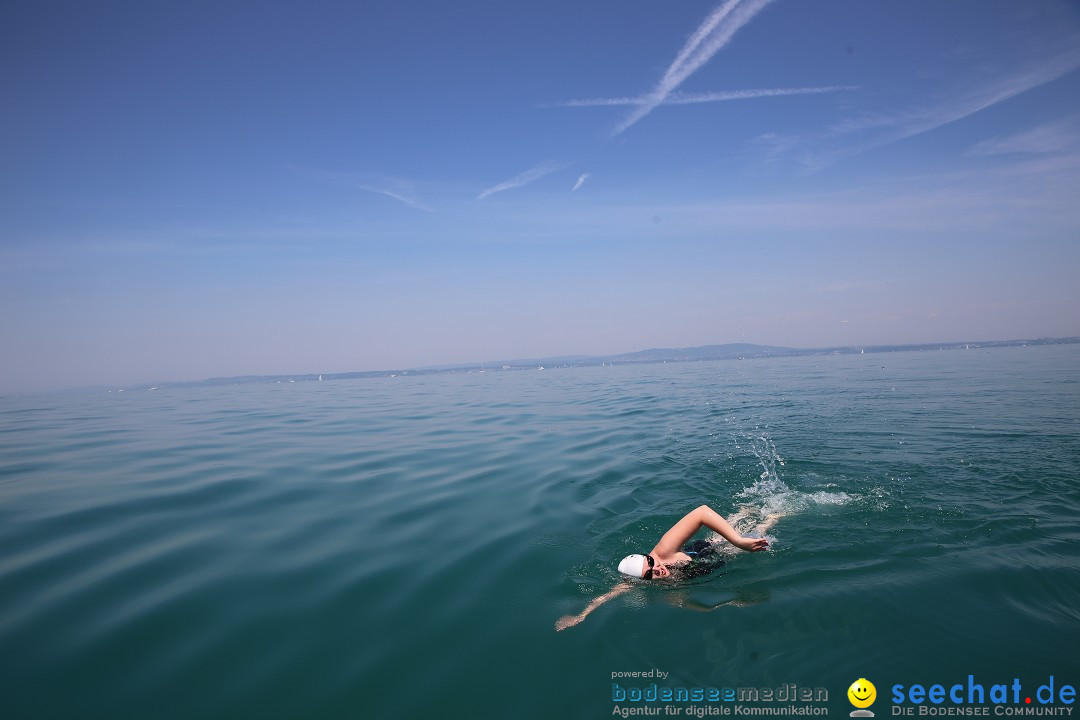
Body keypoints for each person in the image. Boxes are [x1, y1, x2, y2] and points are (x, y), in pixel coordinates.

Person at [555, 504, 777, 631]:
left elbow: (701, 512)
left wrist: (738, 541)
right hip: (710, 564)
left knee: (756, 536)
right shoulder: (653, 588)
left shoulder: (664, 551)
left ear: (649, 556)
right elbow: (606, 596)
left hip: (706, 551)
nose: (657, 570)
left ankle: (774, 515)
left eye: (651, 563)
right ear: (642, 581)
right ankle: (744, 517)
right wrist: (581, 616)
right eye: (649, 575)